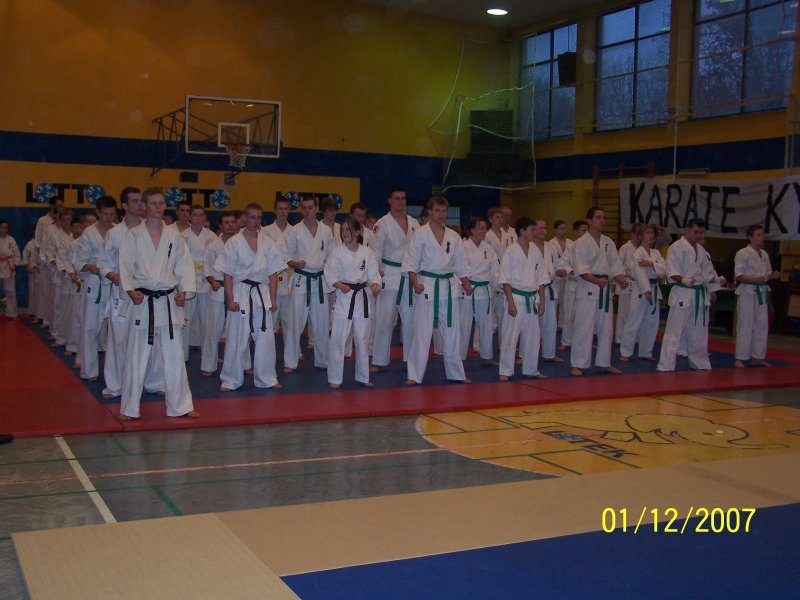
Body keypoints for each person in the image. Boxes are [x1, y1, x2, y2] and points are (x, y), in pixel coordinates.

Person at [119, 187, 197, 420]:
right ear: (144, 206)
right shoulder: (133, 236)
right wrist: (130, 290)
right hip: (143, 302)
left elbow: (184, 265)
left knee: (175, 356)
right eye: (153, 203)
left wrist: (185, 291)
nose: (157, 207)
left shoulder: (174, 236)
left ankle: (181, 406)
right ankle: (129, 408)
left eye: (161, 203)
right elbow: (125, 267)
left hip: (168, 301)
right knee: (137, 356)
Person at [403, 196, 472, 385]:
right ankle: (414, 375)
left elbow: (460, 262)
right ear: (430, 211)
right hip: (427, 286)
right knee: (422, 333)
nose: (441, 214)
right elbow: (410, 261)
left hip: (449, 288)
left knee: (452, 333)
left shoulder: (453, 236)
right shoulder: (420, 234)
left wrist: (466, 283)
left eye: (444, 211)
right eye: (437, 210)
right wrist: (415, 283)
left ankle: (456, 373)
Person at [218, 203, 286, 392]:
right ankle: (230, 379)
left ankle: (267, 378)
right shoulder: (234, 243)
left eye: (259, 218)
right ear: (244, 219)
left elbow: (273, 273)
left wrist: (273, 299)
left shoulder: (267, 242)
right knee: (236, 338)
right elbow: (227, 274)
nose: (256, 221)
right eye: (252, 217)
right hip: (240, 292)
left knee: (265, 338)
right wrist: (230, 299)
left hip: (261, 293)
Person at [656, 219, 724, 372]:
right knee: (674, 332)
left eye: (701, 232)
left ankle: (700, 363)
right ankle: (666, 365)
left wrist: (715, 281)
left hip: (699, 295)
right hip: (682, 293)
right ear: (687, 230)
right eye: (696, 232)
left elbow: (707, 272)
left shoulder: (702, 251)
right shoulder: (676, 247)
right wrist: (684, 280)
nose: (699, 235)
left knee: (699, 332)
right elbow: (671, 271)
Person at [570, 207, 628, 377]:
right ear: (589, 221)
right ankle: (577, 363)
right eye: (598, 217)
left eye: (604, 217)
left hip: (604, 291)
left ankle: (604, 363)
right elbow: (581, 270)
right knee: (584, 328)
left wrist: (620, 280)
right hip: (588, 290)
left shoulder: (608, 242)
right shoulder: (580, 243)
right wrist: (597, 281)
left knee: (607, 330)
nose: (602, 220)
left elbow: (615, 265)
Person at [98, 187, 144, 398]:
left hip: (146, 293)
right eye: (135, 201)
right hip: (122, 294)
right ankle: (115, 385)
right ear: (124, 205)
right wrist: (112, 276)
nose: (140, 204)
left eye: (141, 200)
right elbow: (104, 263)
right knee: (118, 340)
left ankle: (152, 381)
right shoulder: (114, 234)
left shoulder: (151, 230)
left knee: (148, 340)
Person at [325, 218, 381, 388]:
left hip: (361, 298)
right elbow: (329, 274)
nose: (345, 233)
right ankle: (335, 378)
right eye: (342, 230)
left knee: (362, 339)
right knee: (338, 339)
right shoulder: (337, 252)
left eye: (348, 229)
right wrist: (340, 285)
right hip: (344, 298)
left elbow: (373, 274)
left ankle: (363, 376)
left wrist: (375, 284)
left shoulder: (367, 252)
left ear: (357, 232)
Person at [280, 196, 333, 372]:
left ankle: (323, 361)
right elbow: (285, 255)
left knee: (322, 323)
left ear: (316, 209)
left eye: (310, 207)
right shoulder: (294, 231)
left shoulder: (326, 231)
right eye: (304, 208)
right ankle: (290, 362)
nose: (307, 211)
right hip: (301, 280)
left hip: (319, 280)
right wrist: (294, 263)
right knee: (295, 322)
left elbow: (332, 255)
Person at [371, 187, 419, 369]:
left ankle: (411, 359)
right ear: (389, 201)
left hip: (409, 276)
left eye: (403, 198)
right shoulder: (382, 224)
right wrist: (376, 273)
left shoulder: (414, 223)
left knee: (411, 320)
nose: (400, 202)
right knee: (384, 320)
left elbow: (419, 250)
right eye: (397, 198)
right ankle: (379, 360)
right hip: (389, 274)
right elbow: (375, 251)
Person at [498, 217, 547, 380]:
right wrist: (510, 303)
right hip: (516, 298)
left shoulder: (535, 251)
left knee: (533, 337)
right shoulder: (510, 251)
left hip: (532, 299)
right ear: (522, 231)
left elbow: (541, 279)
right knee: (510, 336)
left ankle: (531, 369)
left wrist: (542, 301)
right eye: (532, 230)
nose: (535, 233)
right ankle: (505, 370)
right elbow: (505, 280)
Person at [73, 196, 117, 381]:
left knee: (116, 331)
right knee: (90, 328)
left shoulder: (118, 231)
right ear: (98, 212)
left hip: (114, 285)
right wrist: (90, 266)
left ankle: (116, 371)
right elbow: (78, 262)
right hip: (95, 284)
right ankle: (89, 370)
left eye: (112, 214)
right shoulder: (89, 233)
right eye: (105, 214)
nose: (108, 217)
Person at [734, 225, 780, 368]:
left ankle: (757, 356)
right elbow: (739, 276)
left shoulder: (764, 254)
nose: (762, 237)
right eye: (758, 235)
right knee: (745, 324)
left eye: (763, 234)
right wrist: (756, 279)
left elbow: (766, 275)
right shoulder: (743, 253)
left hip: (762, 291)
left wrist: (772, 276)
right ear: (750, 237)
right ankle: (740, 357)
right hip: (748, 292)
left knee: (762, 324)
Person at [619, 224, 666, 362]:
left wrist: (651, 264)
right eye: (648, 233)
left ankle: (646, 352)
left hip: (655, 288)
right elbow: (639, 273)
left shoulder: (656, 253)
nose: (651, 235)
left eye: (652, 233)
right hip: (641, 289)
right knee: (633, 321)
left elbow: (664, 270)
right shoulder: (637, 254)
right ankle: (625, 351)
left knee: (652, 323)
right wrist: (646, 290)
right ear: (640, 236)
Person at [200, 211, 238, 377]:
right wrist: (212, 281)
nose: (230, 225)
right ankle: (208, 365)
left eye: (232, 222)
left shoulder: (241, 243)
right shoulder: (213, 245)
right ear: (220, 226)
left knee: (239, 331)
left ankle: (243, 364)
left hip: (237, 290)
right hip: (218, 289)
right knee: (213, 330)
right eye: (226, 222)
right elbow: (207, 267)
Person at [459, 217, 499, 365]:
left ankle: (487, 356)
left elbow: (495, 270)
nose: (484, 231)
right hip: (468, 290)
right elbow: (458, 268)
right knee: (464, 325)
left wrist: (499, 286)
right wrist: (465, 284)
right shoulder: (463, 247)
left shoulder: (488, 248)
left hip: (485, 290)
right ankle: (460, 357)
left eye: (484, 228)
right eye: (480, 228)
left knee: (487, 325)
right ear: (472, 230)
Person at [181, 205, 218, 360]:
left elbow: (215, 258)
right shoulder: (182, 236)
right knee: (185, 319)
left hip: (206, 280)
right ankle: (182, 356)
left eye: (201, 215)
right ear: (189, 217)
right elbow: (179, 260)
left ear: (204, 217)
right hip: (188, 280)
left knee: (207, 320)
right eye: (195, 215)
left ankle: (208, 355)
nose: (198, 218)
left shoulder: (211, 236)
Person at [261, 196, 294, 335]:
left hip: (289, 278)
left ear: (289, 210)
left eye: (286, 209)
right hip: (271, 279)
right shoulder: (265, 231)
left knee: (289, 319)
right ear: (274, 210)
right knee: (270, 318)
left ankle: (291, 347)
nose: (283, 212)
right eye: (280, 209)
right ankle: (267, 347)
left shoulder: (295, 230)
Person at [43, 208, 74, 347]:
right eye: (64, 219)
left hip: (74, 276)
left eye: (69, 219)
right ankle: (57, 335)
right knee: (59, 307)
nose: (67, 222)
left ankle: (71, 336)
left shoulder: (76, 235)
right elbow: (49, 254)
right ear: (60, 220)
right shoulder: (55, 236)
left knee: (71, 309)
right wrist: (57, 262)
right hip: (60, 276)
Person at [558, 220, 588, 351]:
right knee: (569, 314)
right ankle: (566, 341)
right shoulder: (571, 247)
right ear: (576, 232)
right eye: (583, 231)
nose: (585, 233)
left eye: (587, 231)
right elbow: (563, 264)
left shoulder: (591, 247)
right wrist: (571, 270)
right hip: (573, 284)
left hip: (587, 285)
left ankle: (583, 341)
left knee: (585, 316)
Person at [614, 226, 640, 344]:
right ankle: (620, 338)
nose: (639, 237)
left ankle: (634, 338)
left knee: (635, 314)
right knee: (623, 313)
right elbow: (617, 265)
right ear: (632, 234)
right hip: (625, 283)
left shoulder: (642, 249)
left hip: (638, 285)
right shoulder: (625, 248)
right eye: (637, 234)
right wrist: (627, 273)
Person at [0, 220, 22, 319]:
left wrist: (15, 264)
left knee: (10, 291)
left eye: (6, 227)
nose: (4, 229)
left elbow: (16, 254)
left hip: (8, 266)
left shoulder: (11, 240)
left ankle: (12, 313)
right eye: (2, 227)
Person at [22, 226, 40, 321]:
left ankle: (39, 313)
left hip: (42, 270)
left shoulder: (43, 242)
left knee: (40, 293)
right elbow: (26, 256)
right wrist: (27, 266)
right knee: (32, 291)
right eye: (34, 230)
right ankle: (32, 311)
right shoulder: (30, 244)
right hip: (33, 270)